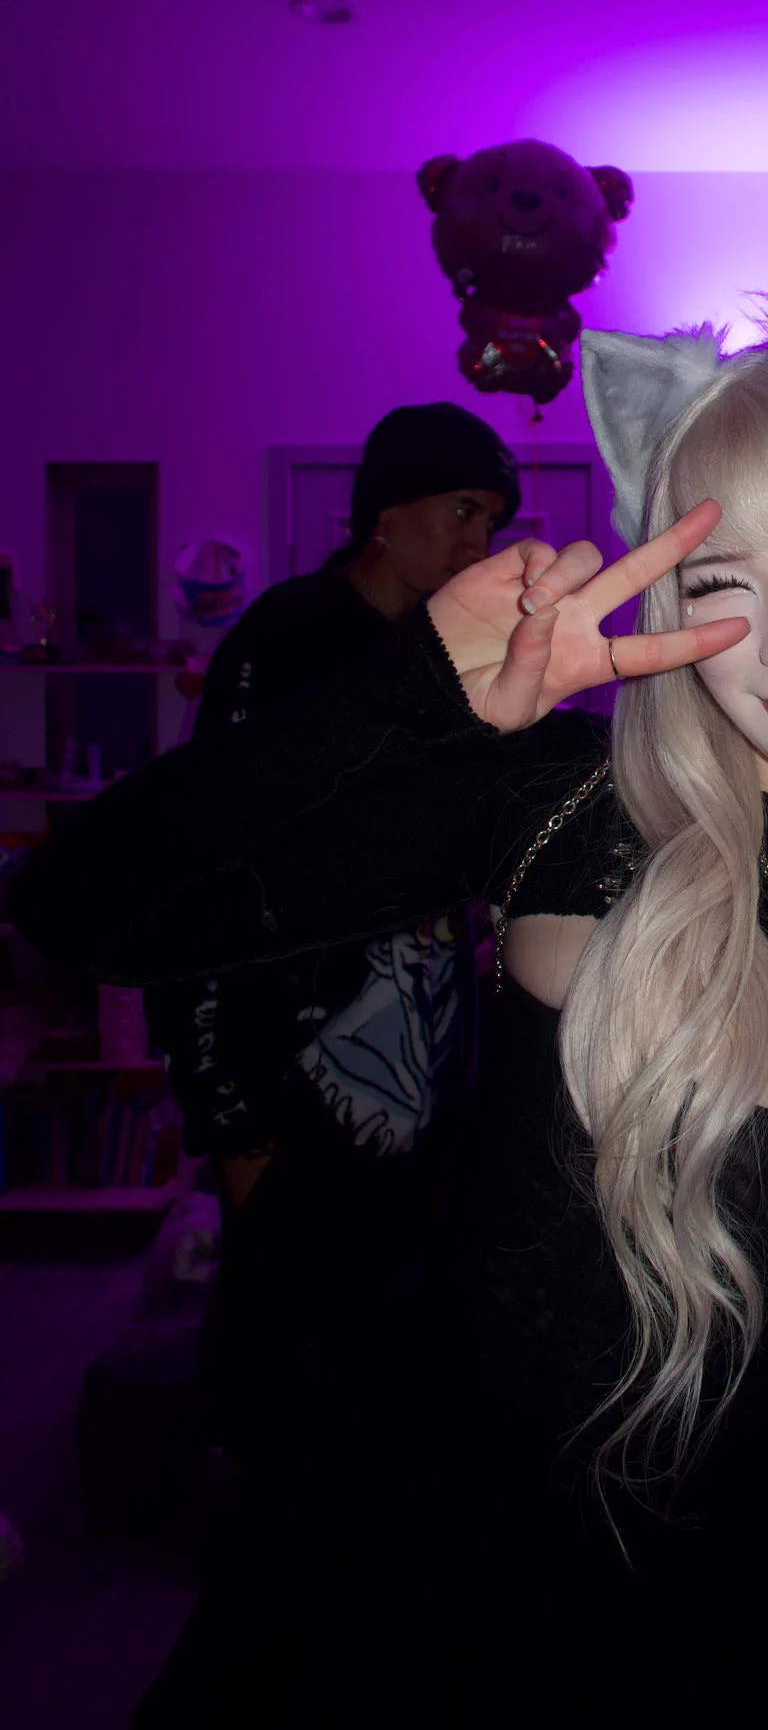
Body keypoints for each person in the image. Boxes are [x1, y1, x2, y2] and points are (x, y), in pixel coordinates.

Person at [13, 256, 768, 1728]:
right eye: (722, 579)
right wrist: (415, 695)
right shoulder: (568, 812)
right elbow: (80, 905)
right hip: (322, 1645)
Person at [144, 400, 519, 1466]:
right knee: (280, 1395)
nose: (478, 542)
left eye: (491, 520)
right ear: (383, 516)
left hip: (421, 1101)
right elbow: (201, 877)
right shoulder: (288, 641)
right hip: (295, 1100)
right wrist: (231, 1116)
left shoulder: (450, 656)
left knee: (389, 1396)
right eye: (460, 511)